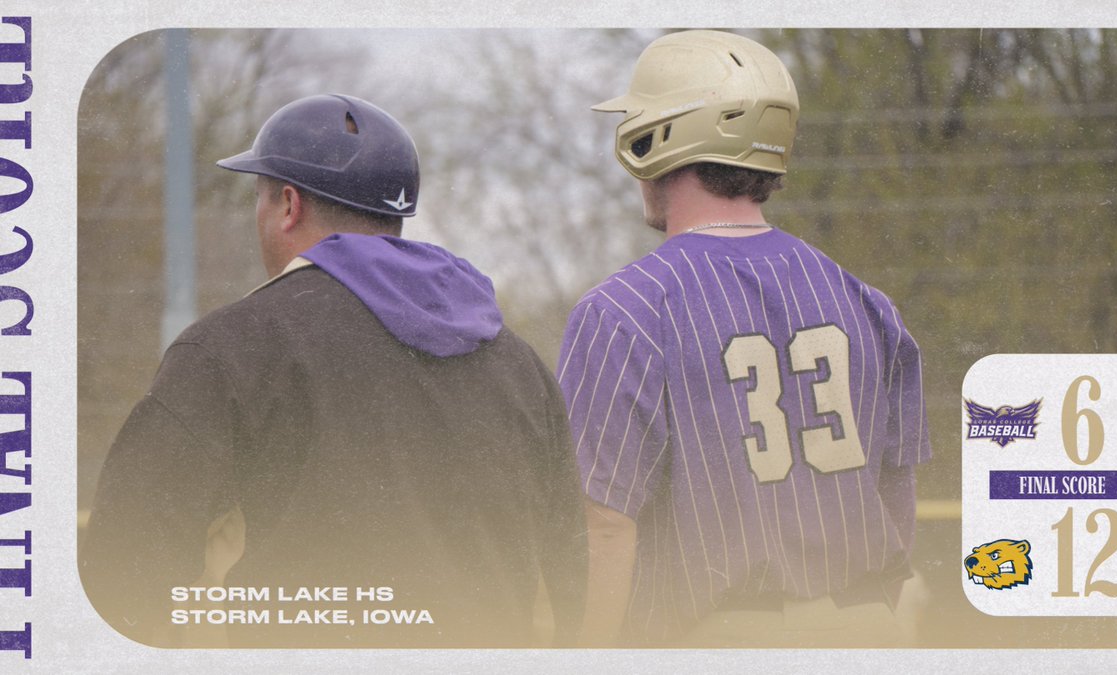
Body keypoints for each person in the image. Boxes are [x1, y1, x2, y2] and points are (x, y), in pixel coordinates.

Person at [80, 94, 585, 648]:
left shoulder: (234, 346)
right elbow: (572, 576)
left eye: (259, 198)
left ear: (289, 206)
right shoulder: (518, 363)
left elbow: (123, 566)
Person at [558, 30, 931, 647]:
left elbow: (603, 522)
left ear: (656, 140)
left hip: (719, 636)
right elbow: (896, 492)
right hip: (871, 628)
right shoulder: (868, 301)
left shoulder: (623, 309)